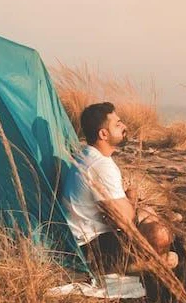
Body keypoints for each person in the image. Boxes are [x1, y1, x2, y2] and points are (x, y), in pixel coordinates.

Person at [63, 102, 178, 274]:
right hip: (90, 248)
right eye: (117, 124)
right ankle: (144, 266)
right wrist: (131, 200)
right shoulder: (101, 165)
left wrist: (132, 205)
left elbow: (117, 214)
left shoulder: (88, 155)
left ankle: (151, 260)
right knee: (159, 233)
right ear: (103, 134)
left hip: (86, 237)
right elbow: (124, 219)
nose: (124, 126)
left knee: (149, 214)